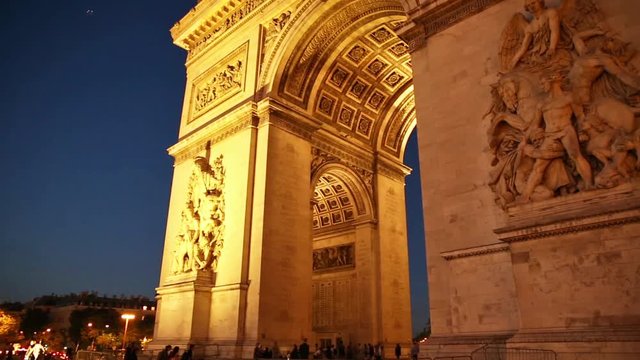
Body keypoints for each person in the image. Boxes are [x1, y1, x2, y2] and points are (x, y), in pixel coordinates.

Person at [521, 73, 594, 201]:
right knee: (539, 166)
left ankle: (590, 186)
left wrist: (582, 132)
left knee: (576, 157)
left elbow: (580, 116)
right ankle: (525, 196)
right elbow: (534, 125)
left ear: (553, 81)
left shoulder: (569, 98)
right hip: (549, 134)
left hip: (566, 130)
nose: (541, 85)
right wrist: (524, 141)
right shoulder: (542, 103)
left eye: (543, 82)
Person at [509, 0, 561, 70]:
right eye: (528, 5)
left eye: (533, 3)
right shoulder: (530, 27)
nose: (531, 6)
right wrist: (514, 60)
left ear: (540, 2)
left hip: (551, 49)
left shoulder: (550, 13)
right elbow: (524, 47)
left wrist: (552, 48)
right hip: (537, 55)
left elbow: (554, 31)